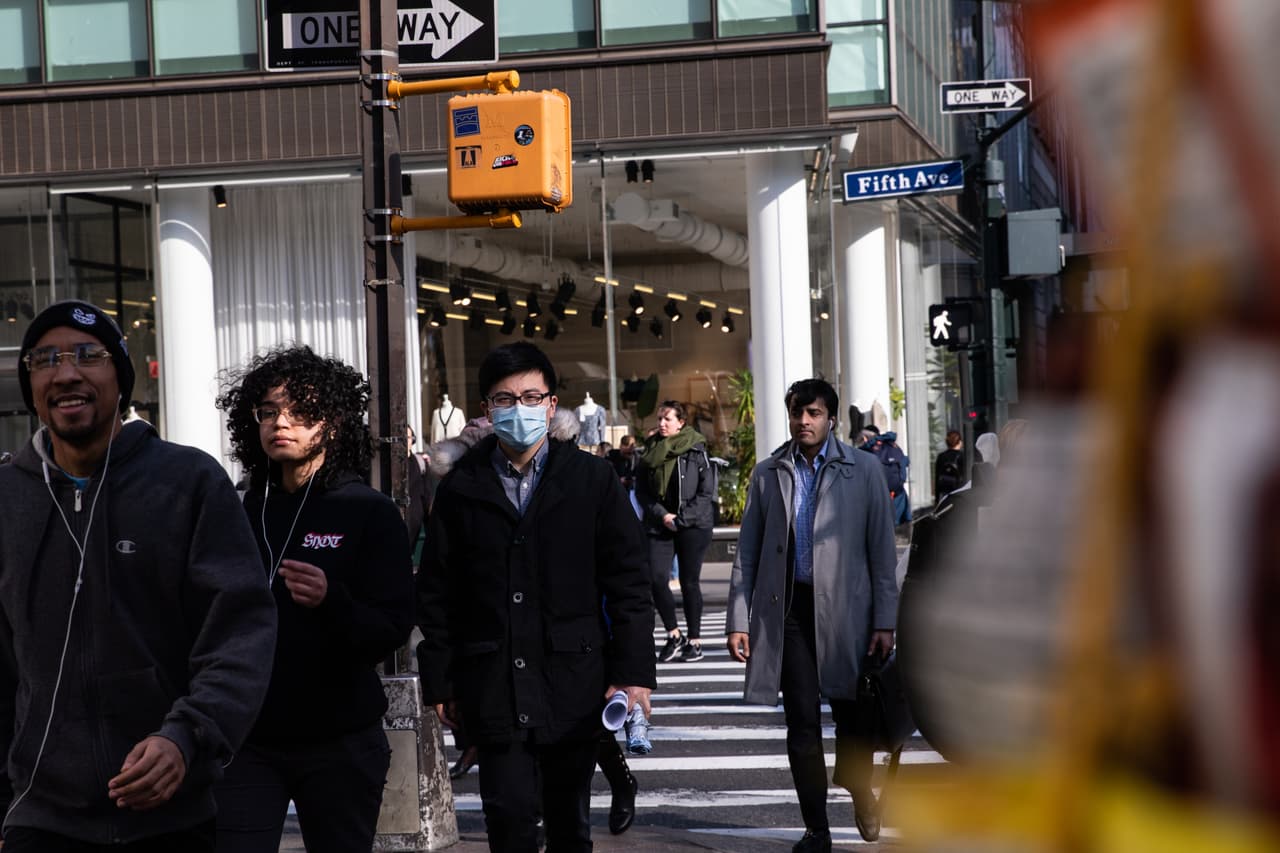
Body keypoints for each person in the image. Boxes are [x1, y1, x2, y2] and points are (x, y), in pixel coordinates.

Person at [0, 300, 277, 851]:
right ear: (30, 383)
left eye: (87, 355)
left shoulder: (188, 482)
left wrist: (188, 735)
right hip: (38, 816)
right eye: (45, 359)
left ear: (121, 378)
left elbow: (239, 633)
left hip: (168, 813)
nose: (66, 372)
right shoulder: (7, 497)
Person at [416, 341, 655, 853]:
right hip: (491, 680)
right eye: (505, 399)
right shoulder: (461, 489)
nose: (518, 409)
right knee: (509, 822)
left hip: (572, 679)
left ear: (551, 405)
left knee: (570, 826)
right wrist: (441, 678)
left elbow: (629, 583)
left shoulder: (592, 480)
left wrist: (632, 675)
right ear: (487, 409)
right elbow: (438, 591)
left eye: (531, 397)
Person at [213, 346, 414, 853]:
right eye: (268, 412)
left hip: (341, 739)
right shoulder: (236, 509)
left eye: (300, 411)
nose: (282, 423)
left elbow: (391, 629)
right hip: (248, 737)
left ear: (332, 422)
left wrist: (331, 601)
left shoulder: (368, 511)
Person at [726, 378, 898, 852]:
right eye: (798, 413)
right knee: (801, 723)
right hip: (792, 613)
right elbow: (748, 552)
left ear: (831, 418)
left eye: (815, 413)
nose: (805, 421)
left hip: (850, 614)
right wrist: (739, 620)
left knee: (853, 718)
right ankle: (816, 829)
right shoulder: (769, 473)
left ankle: (862, 792)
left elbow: (883, 554)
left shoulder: (863, 471)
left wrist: (885, 620)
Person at [636, 401, 717, 663]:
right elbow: (642, 492)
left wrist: (682, 519)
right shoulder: (650, 450)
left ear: (681, 422)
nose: (661, 424)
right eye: (659, 419)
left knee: (689, 582)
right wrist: (664, 516)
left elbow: (707, 493)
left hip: (693, 524)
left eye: (667, 419)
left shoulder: (696, 448)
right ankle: (674, 634)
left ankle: (694, 640)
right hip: (660, 523)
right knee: (656, 578)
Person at [934, 429, 964, 500]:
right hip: (959, 491)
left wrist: (937, 498)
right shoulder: (962, 456)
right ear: (959, 442)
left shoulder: (941, 456)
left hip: (945, 492)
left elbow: (937, 477)